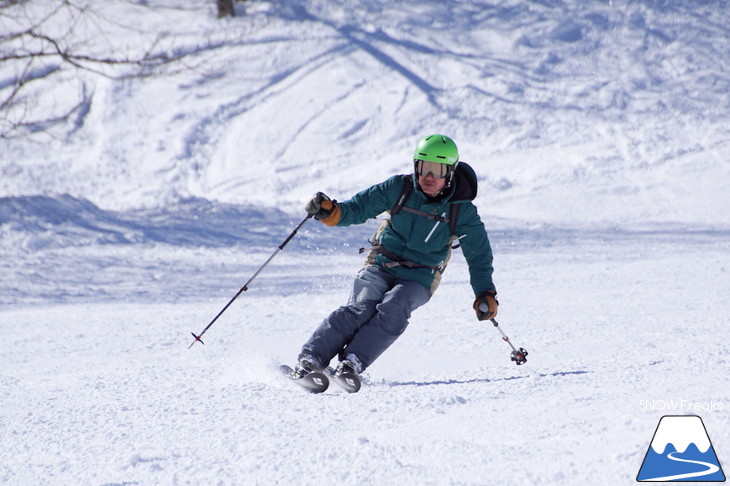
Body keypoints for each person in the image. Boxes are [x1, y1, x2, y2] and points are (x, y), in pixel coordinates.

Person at [294, 134, 498, 378]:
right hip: (381, 263)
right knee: (362, 307)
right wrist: (332, 212)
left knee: (396, 305)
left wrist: (485, 292)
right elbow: (358, 208)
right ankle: (311, 358)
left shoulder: (461, 210)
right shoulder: (399, 188)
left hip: (421, 276)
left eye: (437, 169)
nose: (428, 177)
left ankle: (352, 363)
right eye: (423, 167)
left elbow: (479, 255)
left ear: (450, 172)